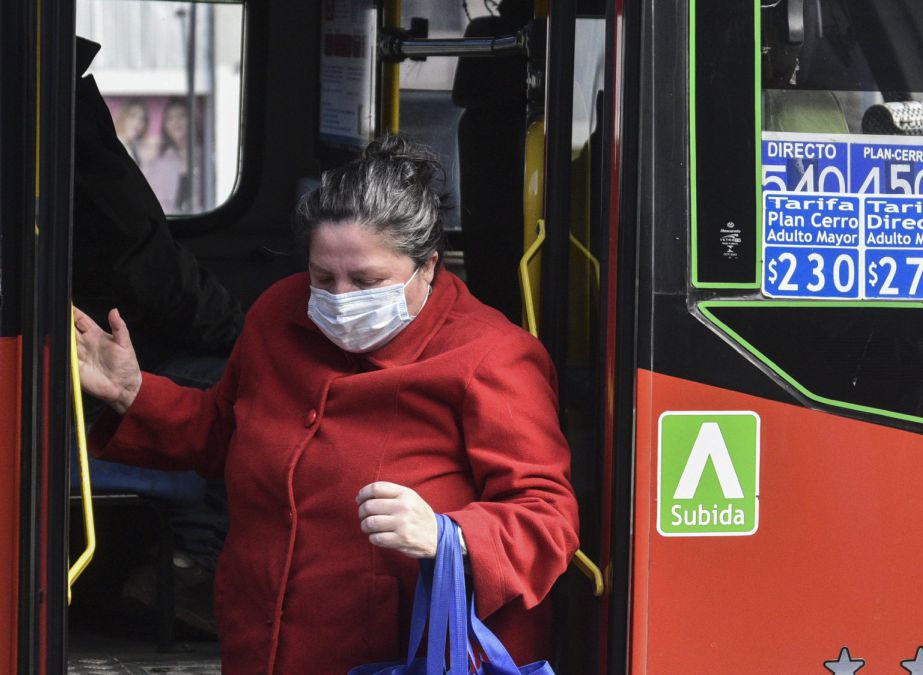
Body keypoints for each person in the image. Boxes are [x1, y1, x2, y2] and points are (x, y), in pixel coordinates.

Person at [75, 135, 580, 673]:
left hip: (399, 651)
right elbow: (225, 430)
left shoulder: (493, 356)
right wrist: (134, 393)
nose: (340, 299)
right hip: (261, 641)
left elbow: (547, 518)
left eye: (366, 281)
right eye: (323, 277)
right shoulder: (279, 314)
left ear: (428, 267)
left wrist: (445, 535)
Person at [74, 37, 243, 633]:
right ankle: (191, 565)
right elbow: (145, 263)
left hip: (85, 346)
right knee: (249, 389)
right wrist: (239, 331)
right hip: (77, 366)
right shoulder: (64, 124)